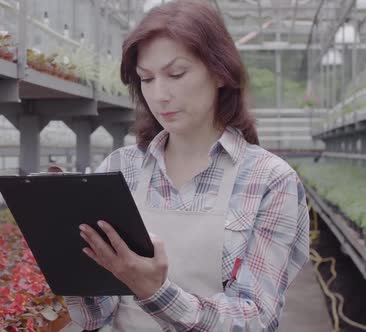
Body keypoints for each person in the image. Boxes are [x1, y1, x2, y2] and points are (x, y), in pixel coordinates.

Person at [63, 1, 310, 331]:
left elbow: (255, 319)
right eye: (146, 79)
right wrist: (69, 265)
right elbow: (95, 317)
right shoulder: (121, 167)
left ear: (220, 72)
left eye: (176, 74)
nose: (159, 95)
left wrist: (156, 292)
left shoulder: (269, 180)